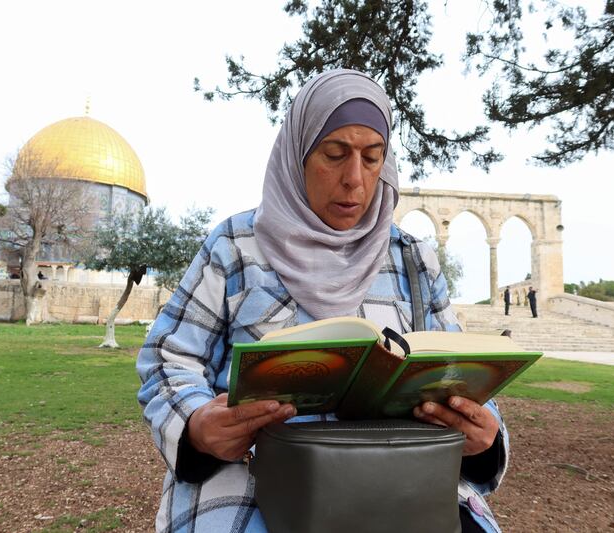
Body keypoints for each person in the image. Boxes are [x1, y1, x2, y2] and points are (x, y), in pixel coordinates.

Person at [137, 69, 508, 533]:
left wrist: (483, 433)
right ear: (298, 155)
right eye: (335, 155)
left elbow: (459, 370)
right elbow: (168, 357)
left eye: (372, 158)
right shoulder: (236, 247)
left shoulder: (412, 258)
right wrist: (197, 424)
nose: (354, 179)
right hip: (256, 483)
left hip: (400, 478)